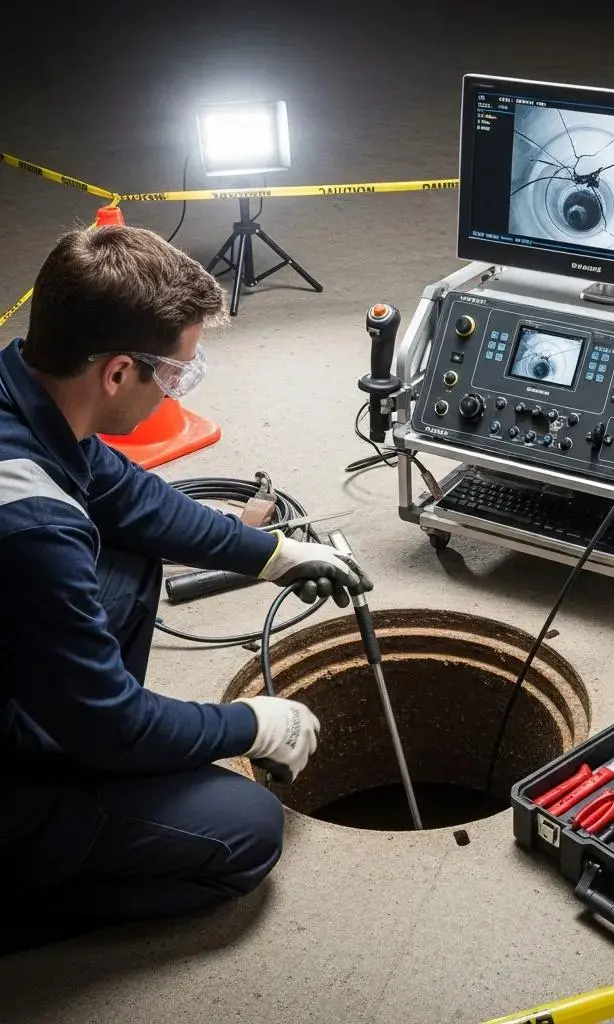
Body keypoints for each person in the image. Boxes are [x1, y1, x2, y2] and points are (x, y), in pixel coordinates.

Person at [0, 224, 367, 952]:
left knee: (130, 559)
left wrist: (273, 553)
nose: (175, 389)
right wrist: (254, 723)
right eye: (174, 373)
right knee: (247, 833)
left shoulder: (25, 392)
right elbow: (118, 725)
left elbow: (128, 498)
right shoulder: (33, 527)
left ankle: (81, 768)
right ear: (114, 374)